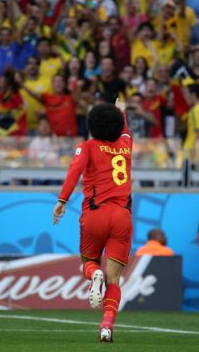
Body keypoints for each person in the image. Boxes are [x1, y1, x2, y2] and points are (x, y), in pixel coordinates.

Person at [53, 98, 132, 343]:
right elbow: (125, 131)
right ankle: (107, 326)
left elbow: (74, 170)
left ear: (91, 125)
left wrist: (62, 201)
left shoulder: (87, 147)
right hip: (122, 216)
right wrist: (122, 112)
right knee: (115, 278)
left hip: (95, 214)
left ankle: (94, 274)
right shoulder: (126, 144)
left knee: (88, 262)